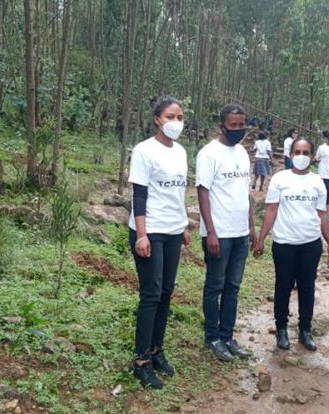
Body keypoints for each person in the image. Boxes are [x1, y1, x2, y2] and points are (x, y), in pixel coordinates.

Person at [127, 95, 191, 389]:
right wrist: (142, 234)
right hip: (149, 231)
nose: (176, 122)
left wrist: (184, 225)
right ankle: (141, 361)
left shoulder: (181, 152)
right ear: (157, 119)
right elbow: (139, 195)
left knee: (166, 292)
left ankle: (156, 350)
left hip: (173, 230)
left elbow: (179, 192)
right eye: (170, 116)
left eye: (180, 117)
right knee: (151, 294)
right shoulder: (144, 151)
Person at [254, 138, 329, 352]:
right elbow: (271, 209)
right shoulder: (280, 179)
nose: (301, 156)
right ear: (290, 155)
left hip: (310, 243)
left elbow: (322, 214)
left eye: (306, 152)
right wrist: (261, 239)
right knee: (283, 286)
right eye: (297, 152)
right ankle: (281, 329)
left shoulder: (317, 182)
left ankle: (305, 330)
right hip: (284, 243)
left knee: (307, 287)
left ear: (312, 157)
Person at [196, 104, 256, 362]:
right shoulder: (209, 154)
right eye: (233, 125)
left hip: (240, 232)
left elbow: (245, 192)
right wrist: (210, 231)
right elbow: (203, 191)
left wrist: (251, 225)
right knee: (215, 286)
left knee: (233, 286)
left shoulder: (242, 153)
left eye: (241, 124)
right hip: (218, 233)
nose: (238, 129)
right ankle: (213, 338)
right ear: (222, 126)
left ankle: (228, 335)